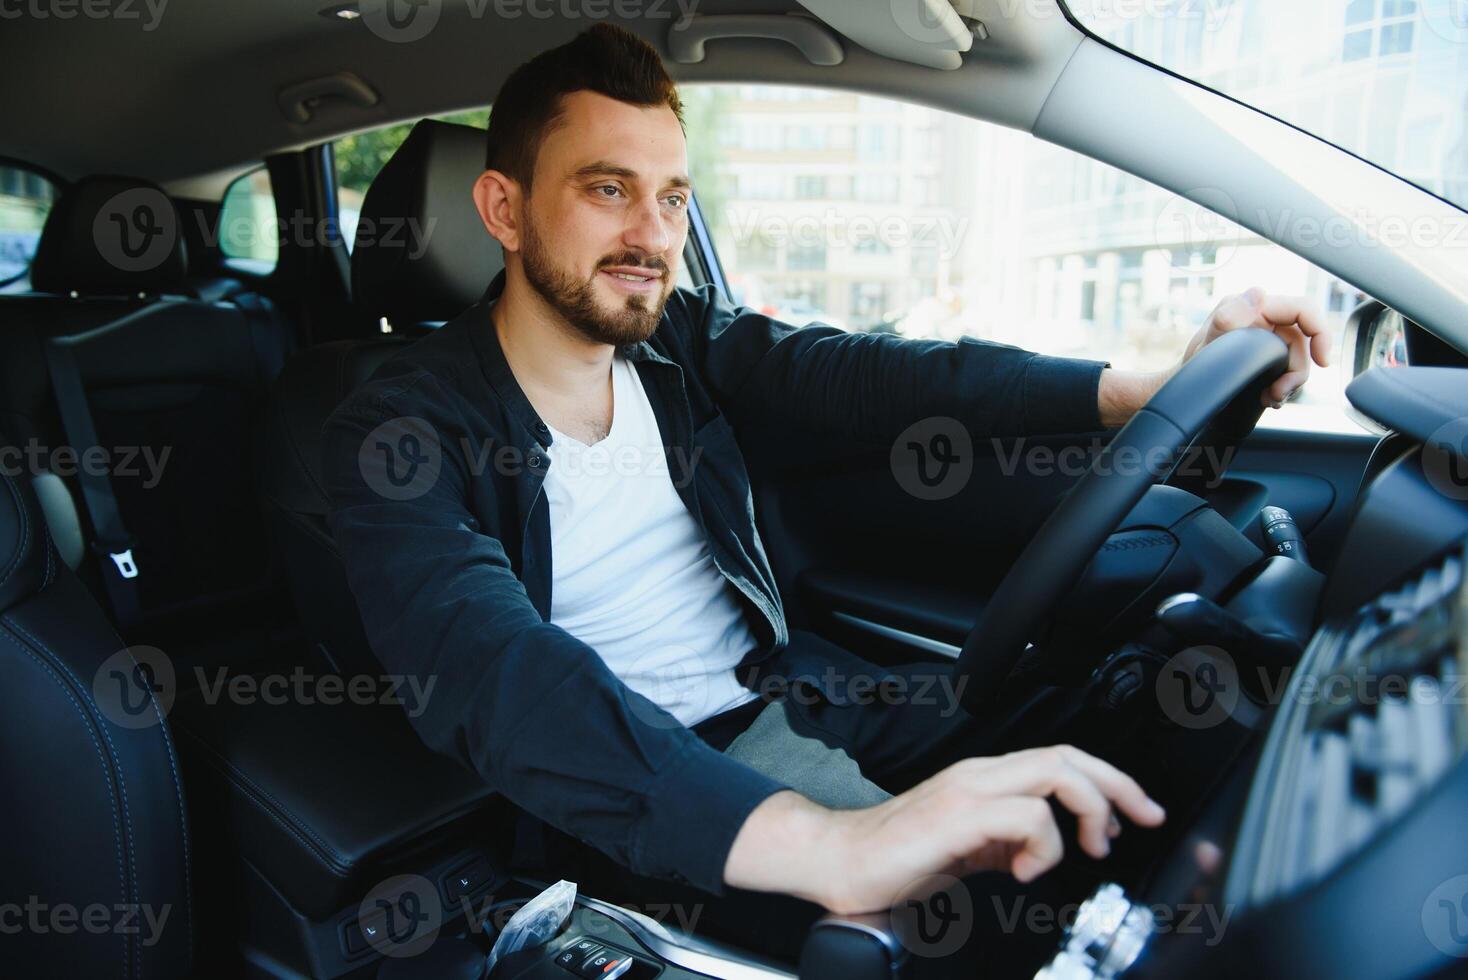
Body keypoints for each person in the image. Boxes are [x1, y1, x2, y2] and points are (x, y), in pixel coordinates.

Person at [323, 22, 1329, 934]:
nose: (651, 236)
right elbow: (491, 667)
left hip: (787, 680)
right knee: (959, 921)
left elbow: (871, 375)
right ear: (503, 206)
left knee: (1141, 724)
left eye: (672, 196)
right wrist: (834, 843)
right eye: (606, 189)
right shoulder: (404, 426)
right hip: (641, 771)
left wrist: (1140, 387)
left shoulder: (672, 343)